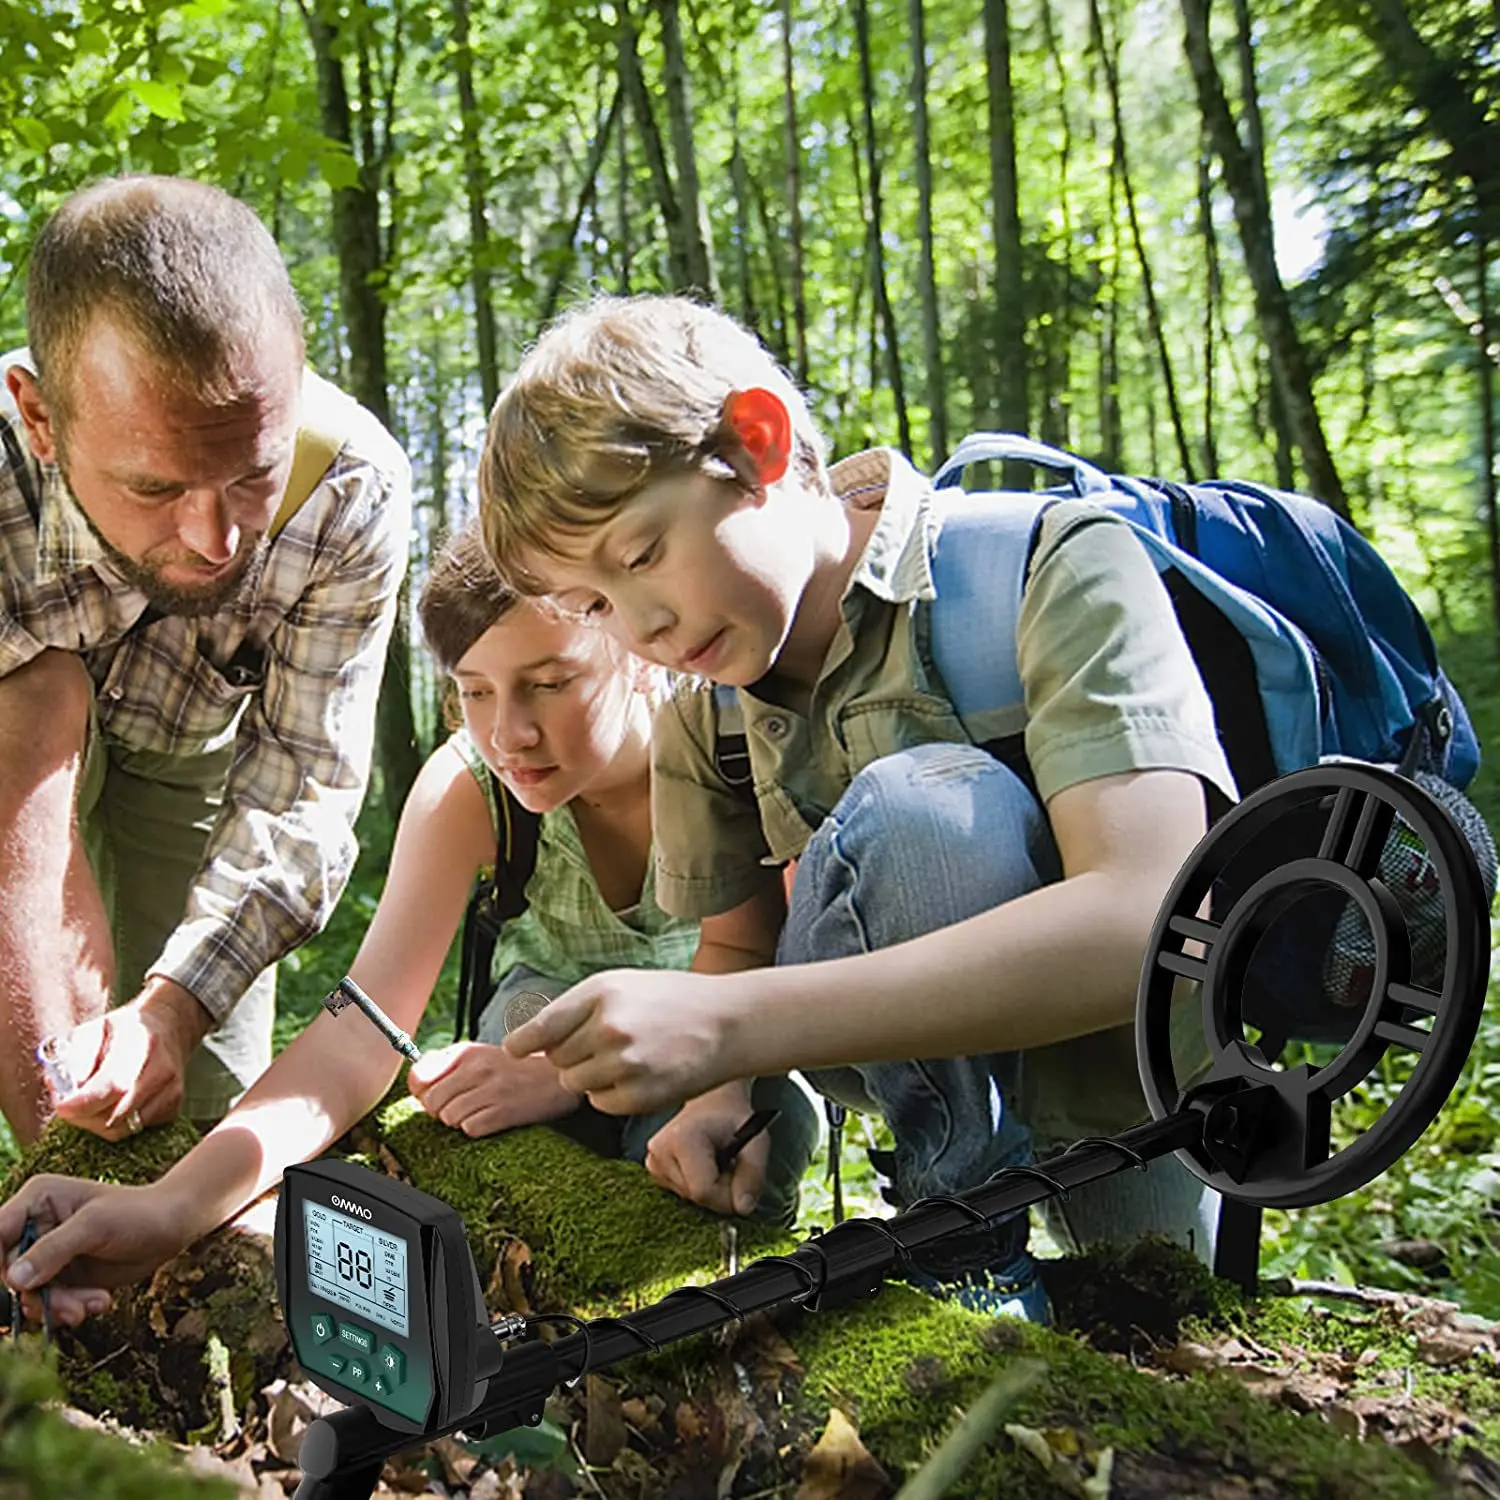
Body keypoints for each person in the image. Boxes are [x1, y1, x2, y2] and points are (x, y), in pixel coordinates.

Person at [477, 294, 1240, 1319]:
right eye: (598, 606)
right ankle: (961, 1251)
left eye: (643, 553)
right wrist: (718, 1096)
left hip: (1125, 1086)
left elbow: (1144, 916)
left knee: (1166, 1319)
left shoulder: (1049, 566)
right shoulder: (707, 712)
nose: (645, 626)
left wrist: (730, 1029)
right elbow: (737, 950)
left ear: (756, 443)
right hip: (925, 1105)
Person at [0, 521, 816, 1328]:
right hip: (533, 1030)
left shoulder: (720, 748)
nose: (511, 733)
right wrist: (170, 1207)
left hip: (720, 1037)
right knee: (521, 1034)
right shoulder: (472, 786)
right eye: (475, 691)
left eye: (551, 681)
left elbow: (750, 958)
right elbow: (364, 1029)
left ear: (634, 648)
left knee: (755, 1129)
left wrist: (570, 1082)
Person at [0, 175, 412, 1145]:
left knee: (204, 1097)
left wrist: (173, 1011)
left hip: (188, 755)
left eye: (252, 472)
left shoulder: (349, 491)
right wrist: (58, 1140)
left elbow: (303, 788)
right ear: (40, 417)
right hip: (17, 746)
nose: (217, 537)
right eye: (155, 484)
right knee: (37, 692)